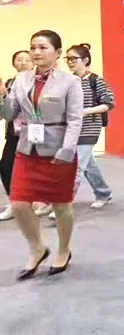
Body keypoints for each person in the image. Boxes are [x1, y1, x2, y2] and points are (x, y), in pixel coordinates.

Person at [0, 30, 83, 279]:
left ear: (57, 53)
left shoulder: (70, 82)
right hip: (27, 148)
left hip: (58, 149)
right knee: (19, 203)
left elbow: (75, 120)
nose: (36, 52)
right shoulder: (21, 79)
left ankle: (64, 250)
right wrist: (2, 96)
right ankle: (37, 248)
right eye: (33, 47)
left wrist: (67, 150)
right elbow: (9, 114)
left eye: (43, 48)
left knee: (61, 204)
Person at [64, 44, 115, 209]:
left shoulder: (95, 80)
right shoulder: (68, 81)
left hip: (90, 127)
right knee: (88, 164)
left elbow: (109, 103)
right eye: (67, 59)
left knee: (76, 167)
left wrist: (85, 111)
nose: (70, 62)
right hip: (72, 128)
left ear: (85, 60)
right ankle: (103, 192)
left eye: (74, 59)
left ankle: (63, 204)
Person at [0, 50, 34, 221]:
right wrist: (3, 96)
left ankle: (41, 202)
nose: (23, 63)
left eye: (27, 60)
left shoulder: (38, 81)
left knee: (34, 170)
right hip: (14, 132)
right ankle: (15, 203)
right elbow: (5, 112)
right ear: (13, 63)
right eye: (19, 60)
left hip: (34, 132)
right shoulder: (9, 83)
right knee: (6, 167)